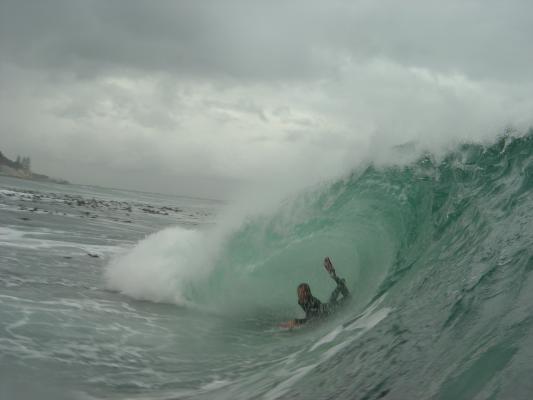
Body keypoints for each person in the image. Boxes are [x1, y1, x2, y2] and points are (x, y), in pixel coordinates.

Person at [280, 257, 350, 329]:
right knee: (340, 294)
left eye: (306, 291)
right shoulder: (301, 301)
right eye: (303, 292)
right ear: (299, 294)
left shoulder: (311, 302)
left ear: (309, 292)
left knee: (347, 297)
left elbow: (310, 319)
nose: (305, 293)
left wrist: (295, 322)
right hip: (327, 307)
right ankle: (335, 277)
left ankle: (335, 277)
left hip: (330, 309)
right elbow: (310, 317)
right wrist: (295, 322)